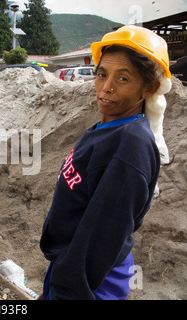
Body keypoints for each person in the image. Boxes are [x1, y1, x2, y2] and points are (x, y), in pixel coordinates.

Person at [40, 25, 172, 300]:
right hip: (72, 266)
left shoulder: (130, 146)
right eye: (102, 74)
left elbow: (102, 235)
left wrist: (66, 291)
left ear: (148, 88)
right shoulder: (111, 127)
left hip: (92, 282)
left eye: (123, 79)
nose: (106, 87)